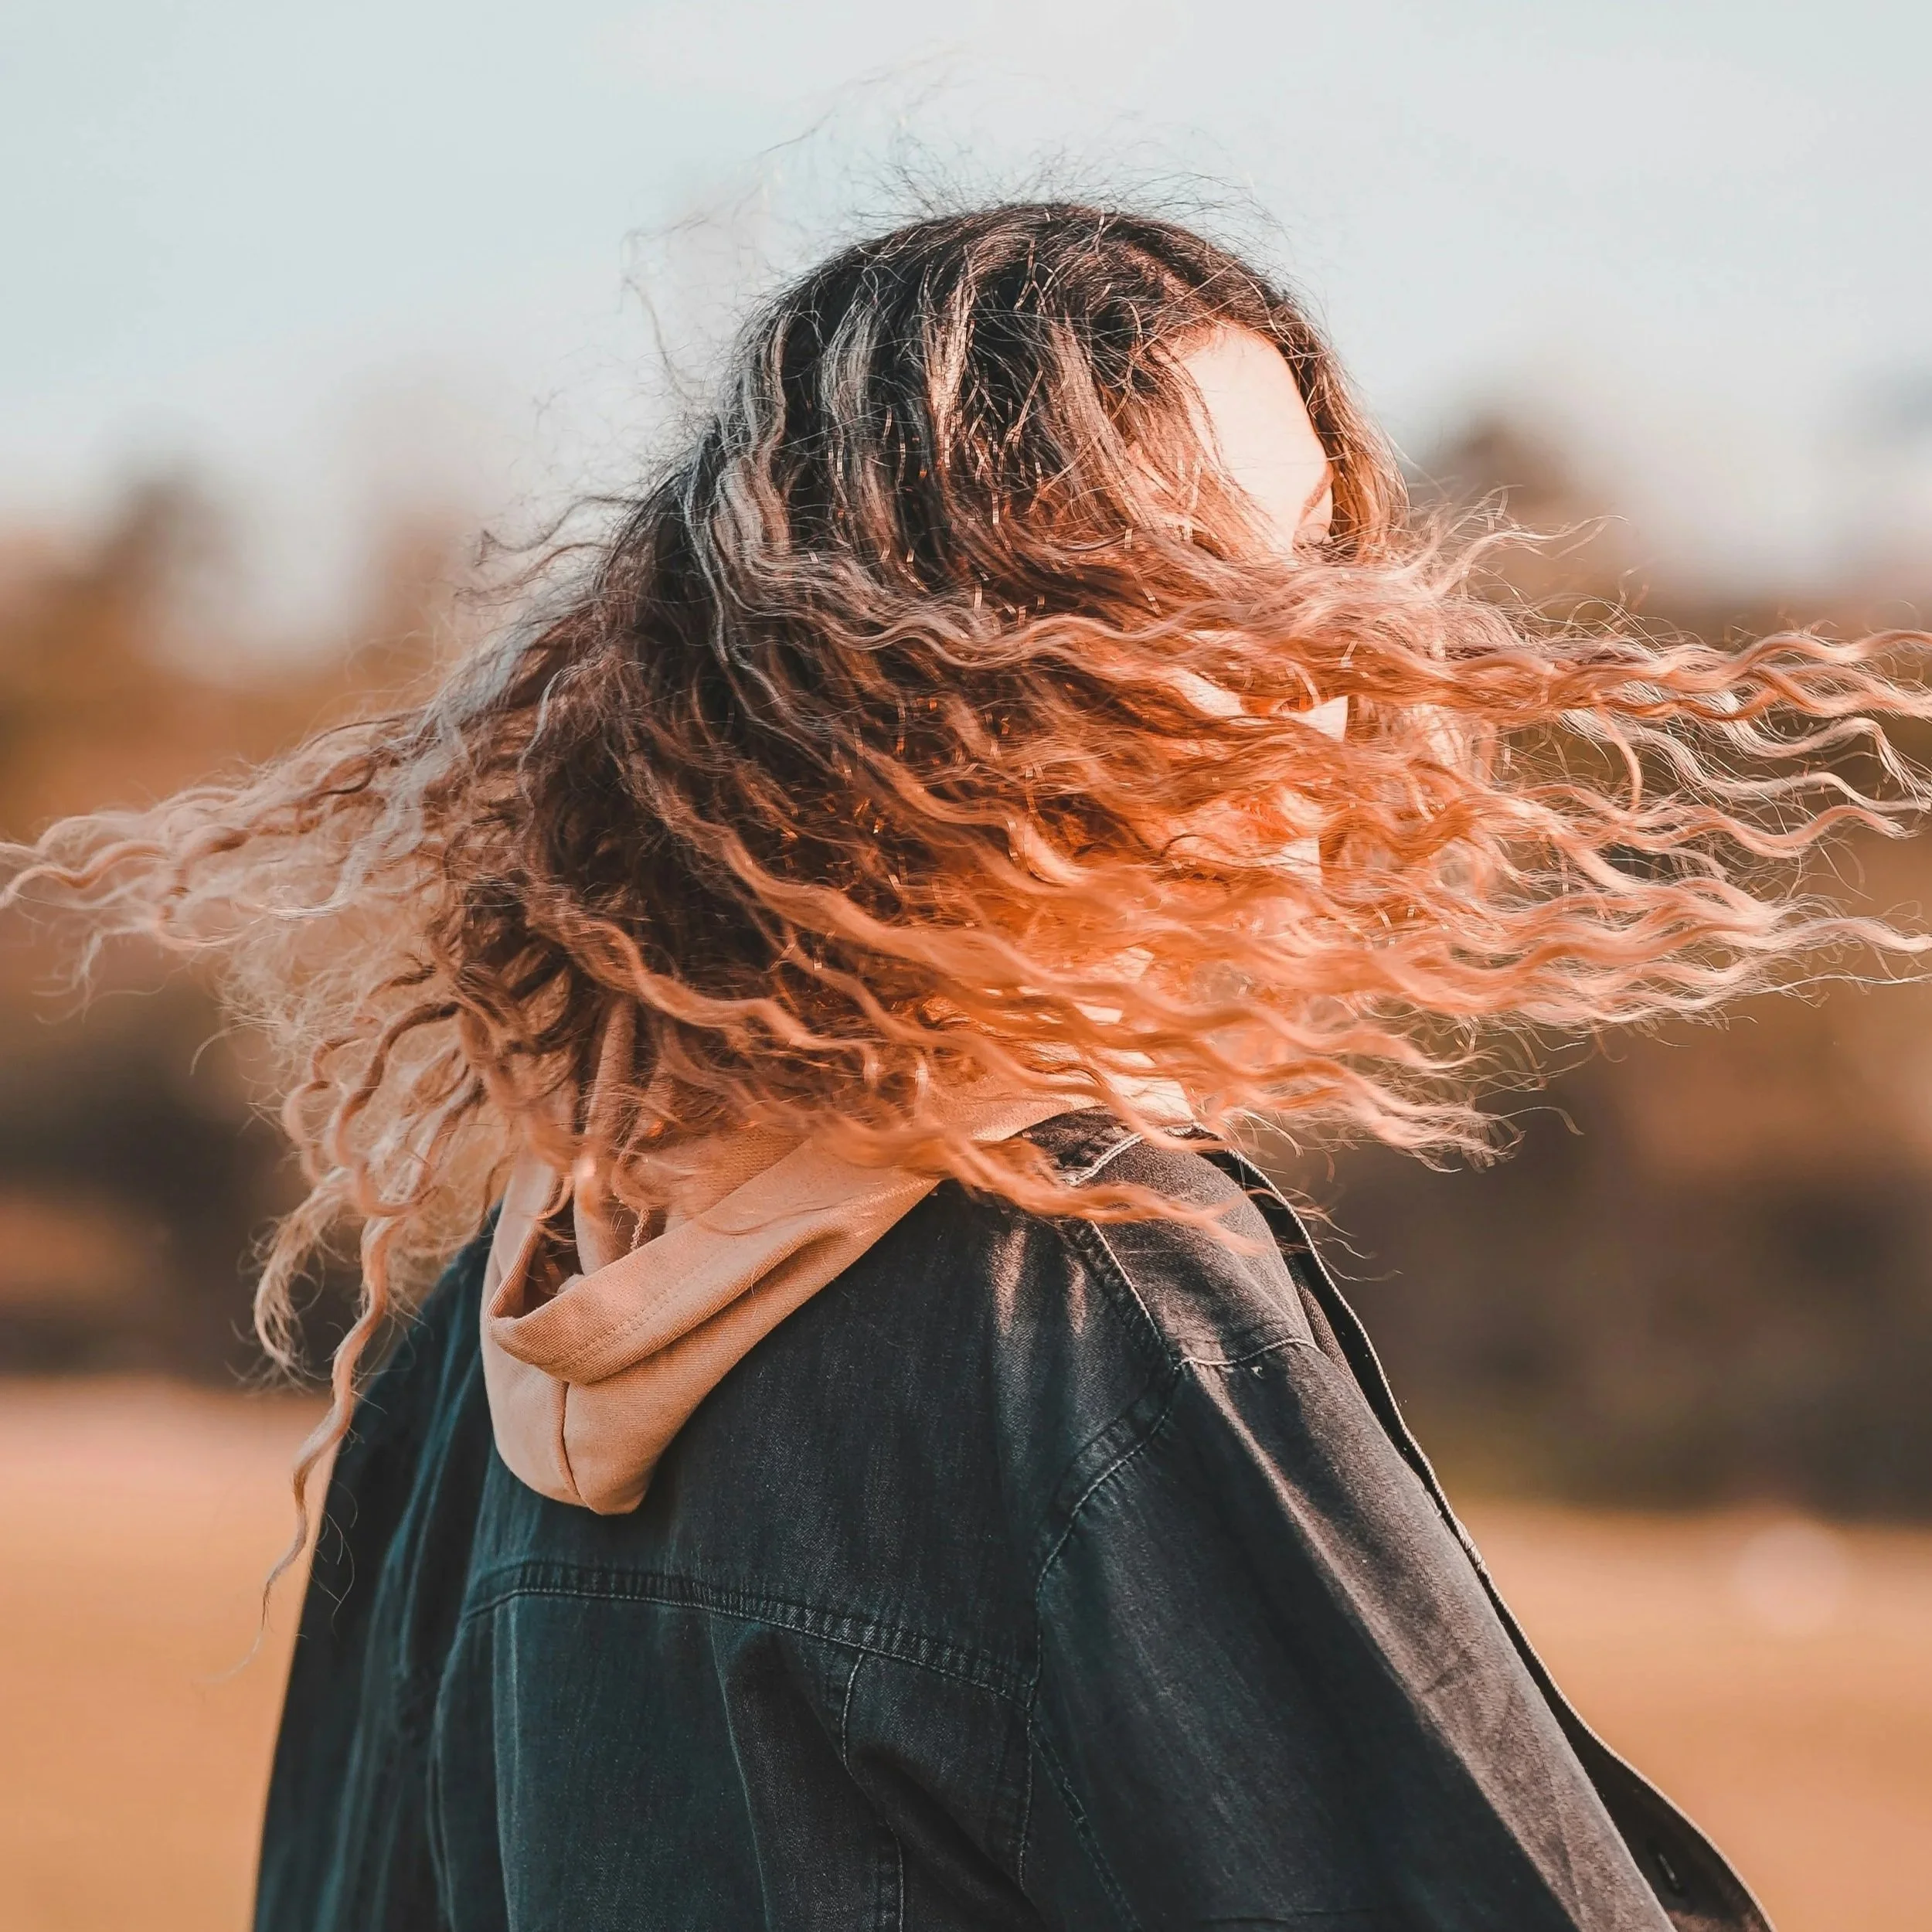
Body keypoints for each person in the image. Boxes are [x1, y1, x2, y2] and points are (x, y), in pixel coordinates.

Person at [16, 199, 1927, 1929]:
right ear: (936, 657)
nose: (1334, 664)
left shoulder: (487, 1324)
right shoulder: (1073, 1300)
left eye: (1324, 564)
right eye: (1208, 575)